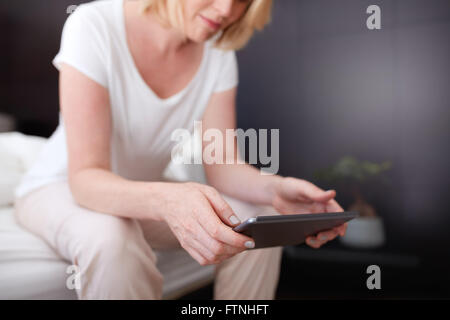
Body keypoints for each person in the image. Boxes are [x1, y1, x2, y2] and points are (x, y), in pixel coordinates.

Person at [14, 0, 347, 300]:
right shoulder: (93, 24)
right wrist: (167, 201)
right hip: (62, 188)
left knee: (261, 219)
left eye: (243, 0)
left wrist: (276, 190)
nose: (226, 11)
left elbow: (224, 166)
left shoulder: (217, 50)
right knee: (113, 240)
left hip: (142, 190)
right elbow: (85, 177)